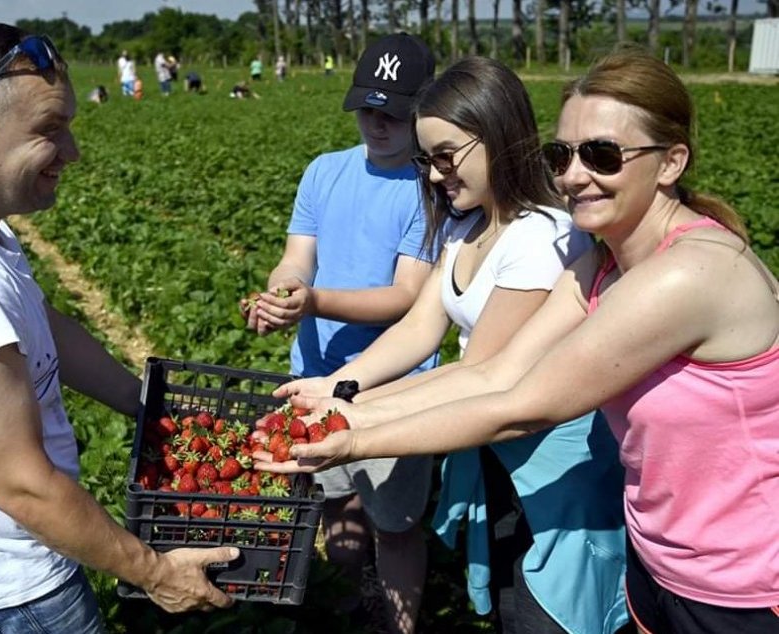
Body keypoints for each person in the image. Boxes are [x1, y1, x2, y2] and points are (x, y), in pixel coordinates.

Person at [260, 47, 779, 634]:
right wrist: (338, 403)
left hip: (742, 583)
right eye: (563, 154)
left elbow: (522, 404)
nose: (574, 175)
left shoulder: (686, 273)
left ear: (671, 162)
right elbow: (495, 372)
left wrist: (351, 438)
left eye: (602, 155)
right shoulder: (601, 263)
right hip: (662, 561)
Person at [0, 23, 238, 633]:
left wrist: (152, 409)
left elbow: (43, 325)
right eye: (48, 129)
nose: (73, 151)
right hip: (7, 597)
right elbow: (23, 487)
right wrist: (157, 573)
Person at [272, 55, 629, 634]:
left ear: (496, 135)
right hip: (493, 443)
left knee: (551, 606)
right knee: (513, 595)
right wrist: (337, 386)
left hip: (550, 469)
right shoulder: (468, 226)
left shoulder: (542, 237)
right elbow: (420, 327)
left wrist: (353, 420)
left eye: (445, 156)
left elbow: (483, 370)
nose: (434, 175)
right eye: (426, 159)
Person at [241, 33, 439, 634]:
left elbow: (406, 297)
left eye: (394, 114)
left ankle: (398, 622)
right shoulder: (324, 172)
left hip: (393, 390)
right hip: (314, 375)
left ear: (424, 113)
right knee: (334, 503)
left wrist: (316, 299)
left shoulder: (430, 188)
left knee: (396, 524)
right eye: (367, 109)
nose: (377, 124)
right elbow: (298, 257)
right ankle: (351, 600)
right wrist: (283, 292)